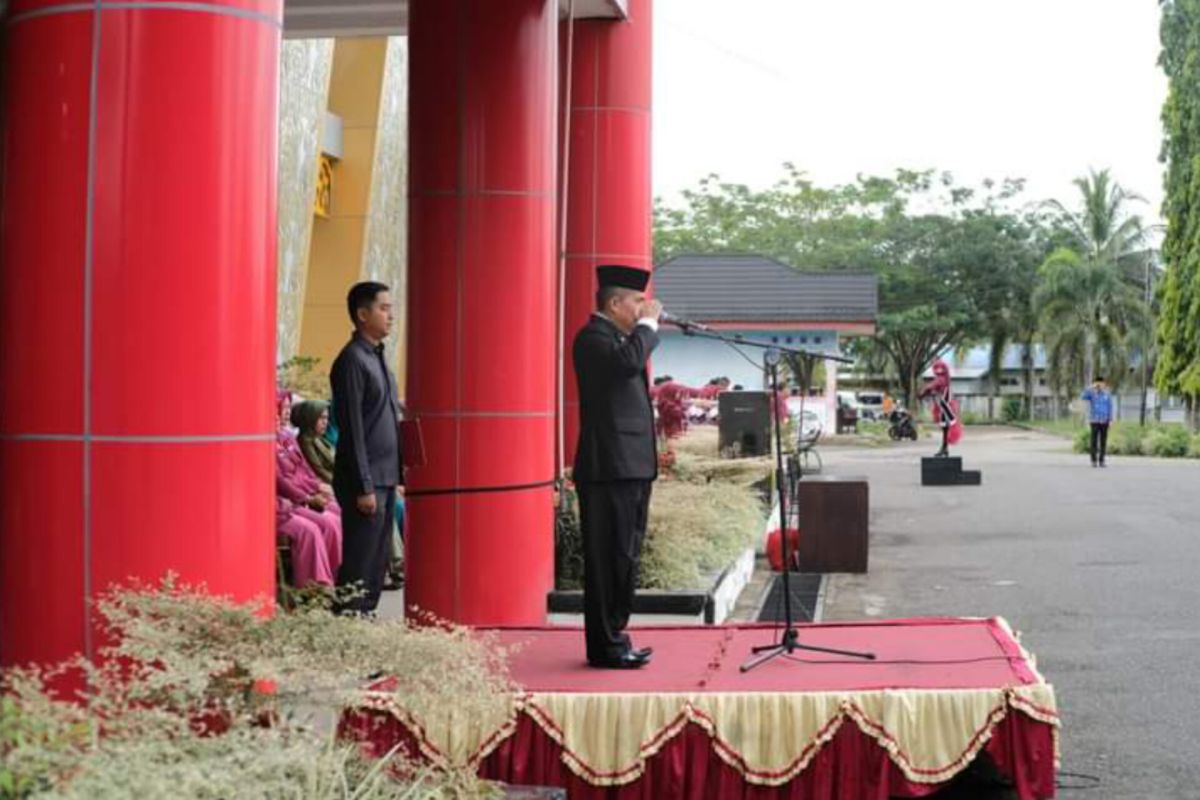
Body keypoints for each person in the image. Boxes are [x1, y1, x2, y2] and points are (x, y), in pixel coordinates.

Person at [573, 264, 661, 670]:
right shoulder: (593, 339)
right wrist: (648, 327)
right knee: (607, 557)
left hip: (631, 466)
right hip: (608, 467)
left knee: (625, 556)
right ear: (614, 303)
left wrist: (641, 330)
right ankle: (605, 646)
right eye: (637, 302)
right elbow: (627, 364)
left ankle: (617, 636)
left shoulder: (620, 339)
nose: (643, 309)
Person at [330, 281, 403, 615]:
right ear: (362, 314)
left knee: (376, 563)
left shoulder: (377, 358)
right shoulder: (351, 361)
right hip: (366, 482)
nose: (391, 315)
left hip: (385, 477)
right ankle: (345, 631)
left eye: (391, 308)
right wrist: (364, 484)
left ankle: (365, 626)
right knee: (359, 564)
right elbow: (354, 431)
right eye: (383, 308)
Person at [292, 399, 335, 483]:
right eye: (321, 418)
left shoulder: (317, 437)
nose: (325, 422)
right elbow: (319, 470)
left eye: (326, 418)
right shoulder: (305, 441)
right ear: (310, 418)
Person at [1081, 376, 1114, 467]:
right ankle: (1093, 460)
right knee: (1094, 441)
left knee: (1103, 441)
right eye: (1097, 383)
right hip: (1094, 420)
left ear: (1104, 384)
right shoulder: (1092, 394)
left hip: (1105, 420)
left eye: (1101, 383)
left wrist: (1110, 419)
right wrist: (1091, 387)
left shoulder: (1107, 394)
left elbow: (1110, 407)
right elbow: (1083, 397)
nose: (1100, 385)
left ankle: (1102, 460)